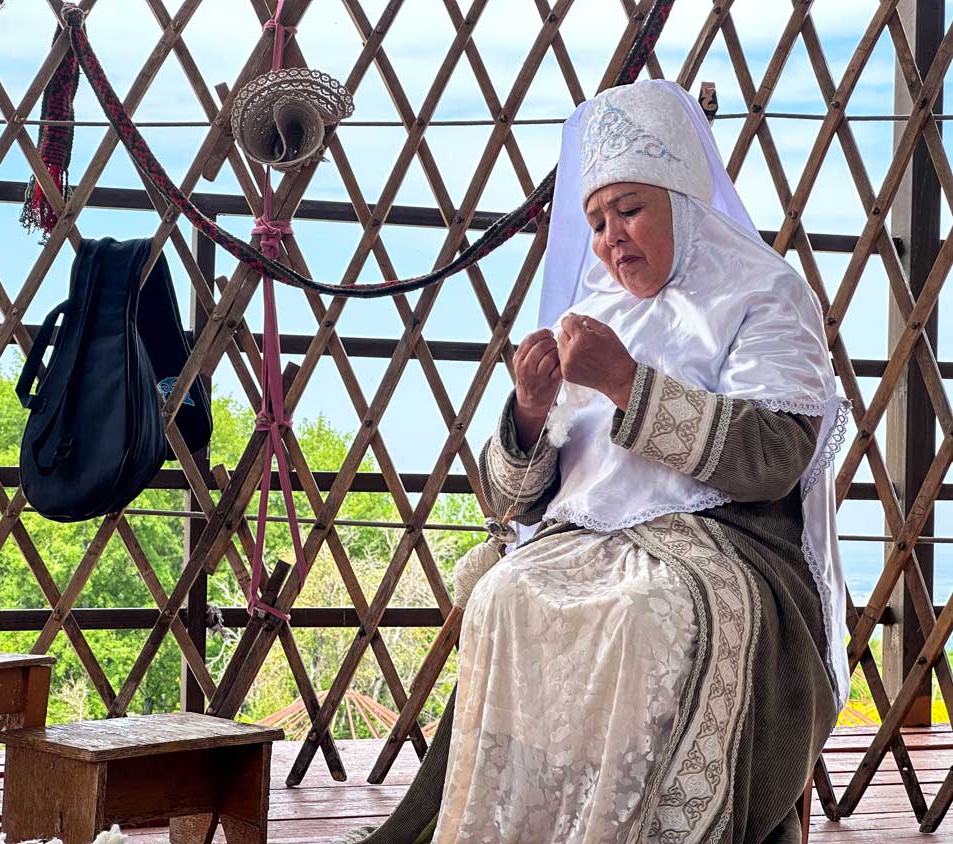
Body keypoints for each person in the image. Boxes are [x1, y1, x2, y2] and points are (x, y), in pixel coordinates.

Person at [341, 79, 849, 844]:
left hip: (728, 544)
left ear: (681, 198)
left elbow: (774, 458)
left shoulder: (763, 294)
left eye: (631, 209)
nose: (611, 237)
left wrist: (624, 382)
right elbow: (518, 500)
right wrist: (530, 411)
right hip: (586, 544)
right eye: (597, 220)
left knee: (647, 614)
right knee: (504, 590)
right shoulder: (593, 313)